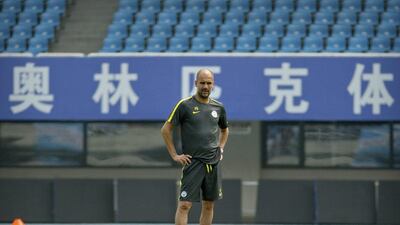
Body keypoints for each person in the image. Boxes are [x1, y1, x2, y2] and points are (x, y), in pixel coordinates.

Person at [161, 68, 229, 225]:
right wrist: (174, 155)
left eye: (209, 83)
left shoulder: (219, 107)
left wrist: (221, 148)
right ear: (195, 83)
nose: (205, 86)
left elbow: (225, 130)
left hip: (213, 163)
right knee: (184, 205)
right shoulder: (184, 105)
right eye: (202, 83)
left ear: (213, 85)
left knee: (208, 205)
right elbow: (165, 130)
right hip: (193, 163)